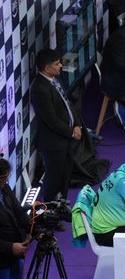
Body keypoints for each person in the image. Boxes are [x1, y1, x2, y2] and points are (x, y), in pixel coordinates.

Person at [30, 49, 83, 202]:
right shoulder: (40, 89)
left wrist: (77, 124)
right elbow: (51, 120)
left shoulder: (53, 79)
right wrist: (71, 132)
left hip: (65, 139)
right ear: (47, 68)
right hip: (53, 143)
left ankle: (61, 205)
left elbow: (67, 104)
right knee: (54, 179)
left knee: (65, 176)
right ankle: (49, 209)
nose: (61, 66)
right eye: (57, 64)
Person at [0, 158, 29, 279]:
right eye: (1, 178)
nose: (4, 181)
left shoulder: (4, 188)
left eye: (6, 177)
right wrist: (11, 247)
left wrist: (32, 225)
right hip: (3, 257)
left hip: (16, 254)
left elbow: (18, 212)